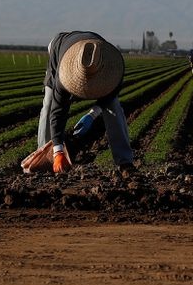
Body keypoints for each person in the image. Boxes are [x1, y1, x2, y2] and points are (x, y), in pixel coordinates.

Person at [36, 30, 133, 177]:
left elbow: (109, 97)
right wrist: (58, 150)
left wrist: (92, 114)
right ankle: (47, 159)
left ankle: (125, 162)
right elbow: (58, 112)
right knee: (49, 105)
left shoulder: (113, 68)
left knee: (113, 107)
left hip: (96, 53)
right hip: (60, 47)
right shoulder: (63, 76)